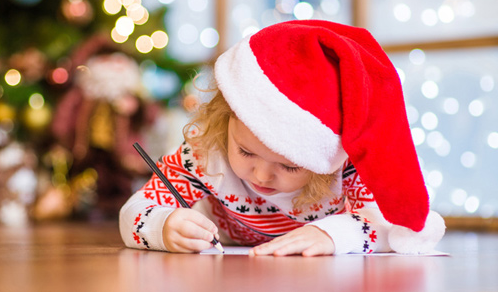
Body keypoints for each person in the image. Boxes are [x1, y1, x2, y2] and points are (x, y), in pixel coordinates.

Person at [119, 20, 446, 256]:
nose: (262, 176)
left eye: (289, 167)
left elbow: (391, 226)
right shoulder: (206, 150)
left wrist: (331, 235)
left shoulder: (344, 167)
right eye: (246, 152)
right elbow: (137, 208)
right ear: (227, 118)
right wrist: (163, 225)